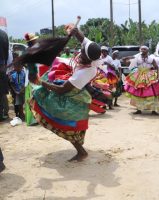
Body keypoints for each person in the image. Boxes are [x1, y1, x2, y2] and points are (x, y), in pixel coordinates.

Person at [29, 25, 101, 162]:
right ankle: (81, 151)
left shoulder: (85, 72)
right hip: (69, 83)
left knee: (68, 124)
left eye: (82, 52)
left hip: (73, 95)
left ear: (87, 57)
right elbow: (82, 39)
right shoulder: (89, 50)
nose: (80, 50)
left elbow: (62, 90)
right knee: (70, 126)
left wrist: (40, 82)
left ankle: (81, 152)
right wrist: (75, 31)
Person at [124, 46, 159, 115]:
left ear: (147, 51)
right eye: (141, 49)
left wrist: (158, 77)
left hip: (150, 75)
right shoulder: (137, 58)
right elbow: (129, 64)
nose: (143, 50)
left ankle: (153, 110)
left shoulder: (151, 58)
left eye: (144, 49)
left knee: (152, 92)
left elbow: (157, 68)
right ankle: (139, 109)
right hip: (139, 75)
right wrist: (125, 59)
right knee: (139, 92)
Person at [24, 33, 39, 126]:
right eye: (35, 40)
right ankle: (33, 118)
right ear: (32, 41)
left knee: (33, 96)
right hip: (32, 76)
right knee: (33, 96)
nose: (36, 41)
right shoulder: (31, 51)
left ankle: (35, 118)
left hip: (32, 74)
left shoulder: (29, 50)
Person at [0, 29, 9, 121]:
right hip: (2, 66)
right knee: (2, 91)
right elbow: (6, 52)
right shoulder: (4, 34)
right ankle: (3, 113)